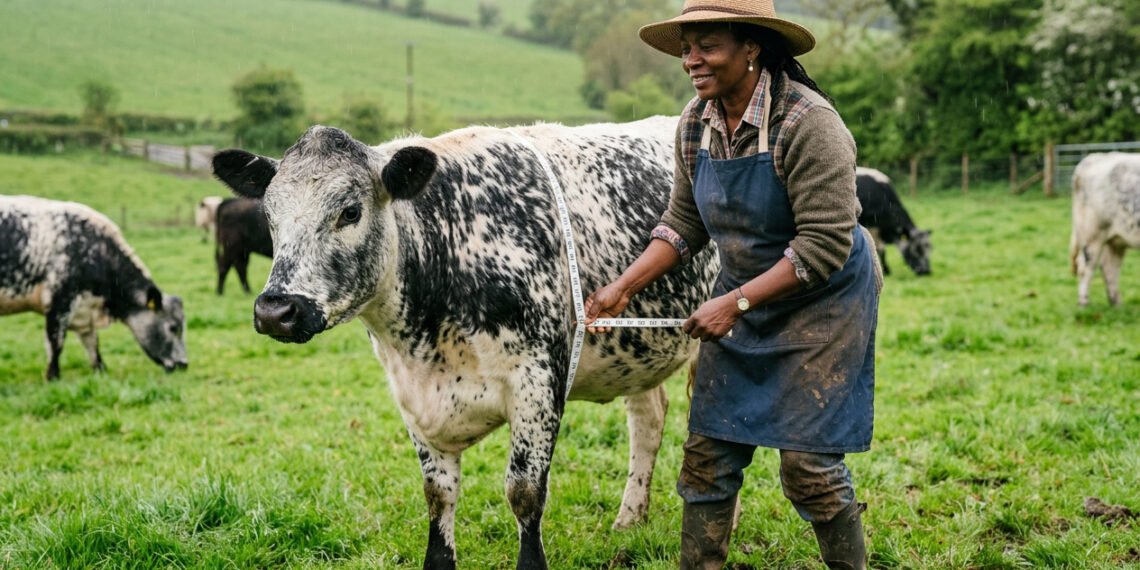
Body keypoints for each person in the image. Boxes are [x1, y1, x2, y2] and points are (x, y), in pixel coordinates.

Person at [584, 1, 882, 568]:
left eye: (708, 45)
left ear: (753, 49)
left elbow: (823, 246)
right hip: (741, 298)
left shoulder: (808, 124)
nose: (692, 60)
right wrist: (622, 285)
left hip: (824, 302)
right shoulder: (695, 122)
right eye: (686, 48)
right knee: (707, 459)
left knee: (809, 470)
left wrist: (735, 301)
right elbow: (683, 222)